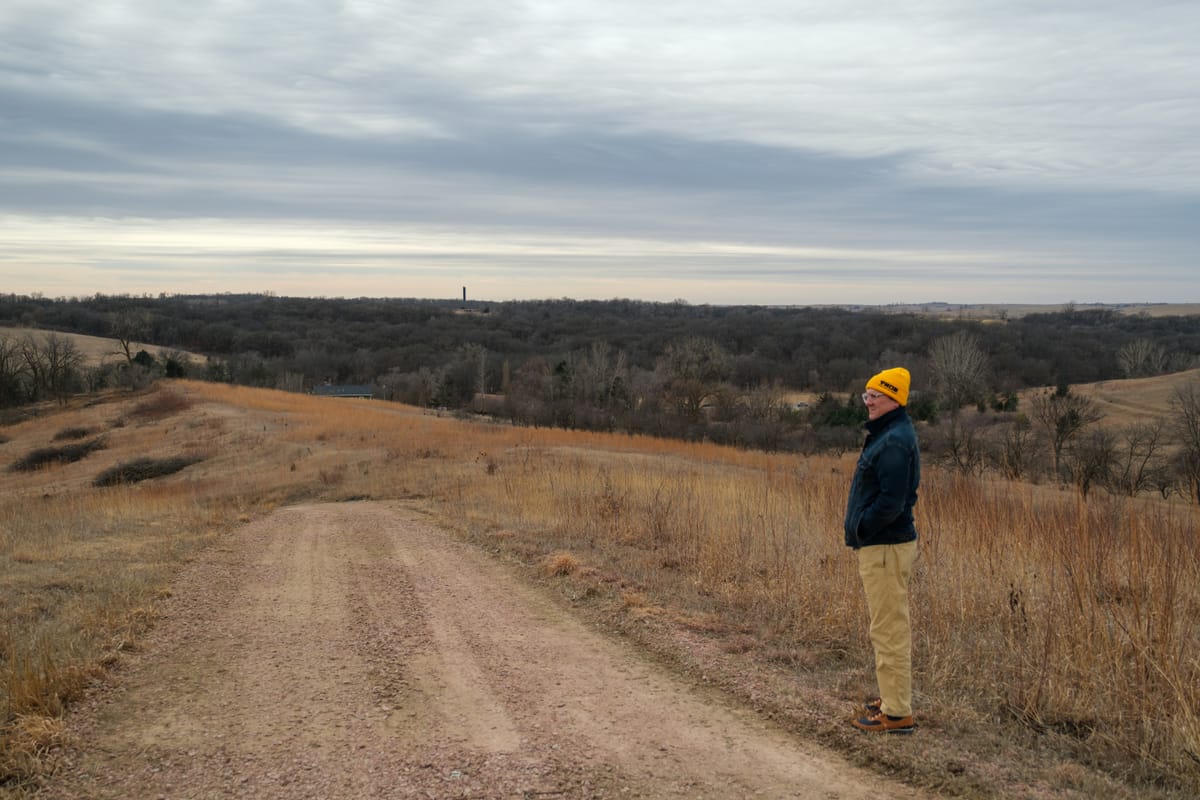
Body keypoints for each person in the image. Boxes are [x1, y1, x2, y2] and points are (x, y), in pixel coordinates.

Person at [844, 367, 920, 734]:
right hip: (884, 546)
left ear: (895, 399)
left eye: (876, 395)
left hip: (886, 547)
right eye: (867, 395)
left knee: (889, 629)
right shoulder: (889, 434)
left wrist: (862, 527)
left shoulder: (893, 442)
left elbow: (892, 501)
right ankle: (891, 697)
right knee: (886, 626)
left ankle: (896, 714)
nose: (869, 401)